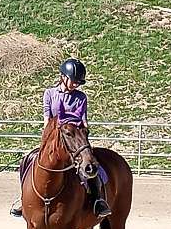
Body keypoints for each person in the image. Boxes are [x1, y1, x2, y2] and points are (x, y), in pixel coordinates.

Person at [10, 58, 111, 219]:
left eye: (79, 82)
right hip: (54, 140)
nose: (76, 85)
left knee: (91, 166)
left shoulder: (81, 97)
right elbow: (46, 119)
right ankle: (25, 199)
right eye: (74, 81)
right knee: (26, 160)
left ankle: (97, 200)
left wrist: (83, 134)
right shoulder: (50, 94)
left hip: (75, 140)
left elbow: (83, 121)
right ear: (63, 77)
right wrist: (46, 141)